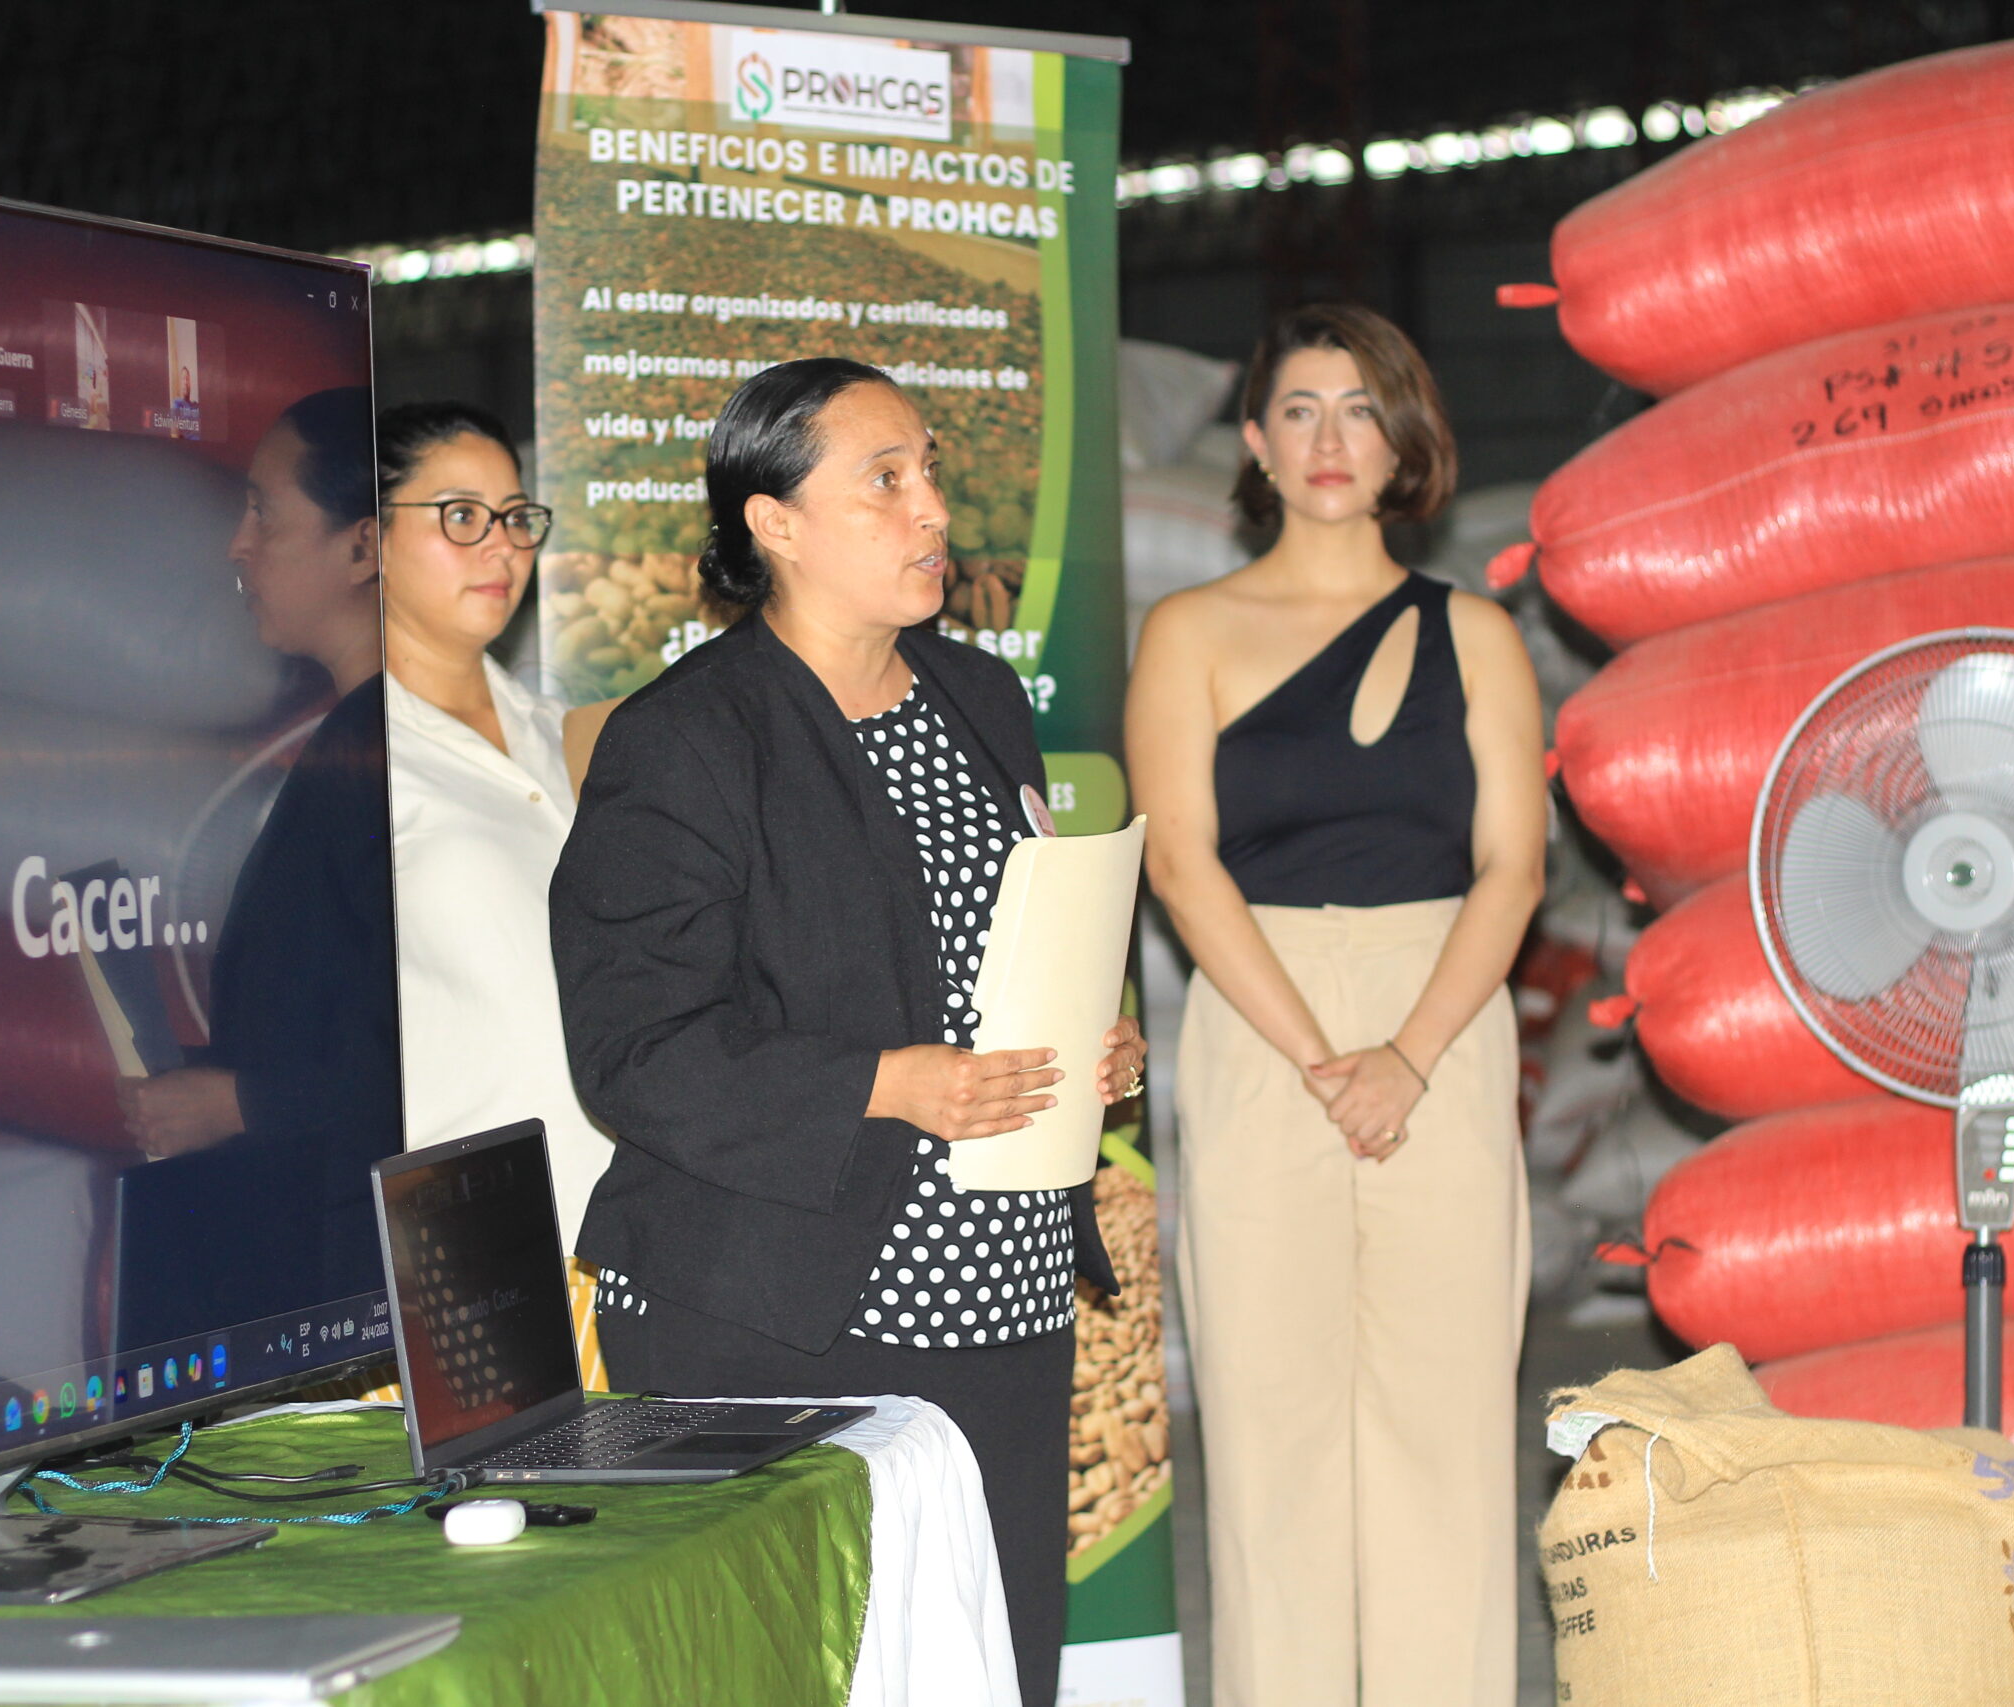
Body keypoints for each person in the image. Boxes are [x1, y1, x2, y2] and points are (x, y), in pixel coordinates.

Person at [551, 357, 1146, 1707]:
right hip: (780, 1307)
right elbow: (633, 1051)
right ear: (774, 522)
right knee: (803, 1670)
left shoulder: (979, 701)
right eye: (886, 479)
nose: (930, 505)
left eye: (930, 470)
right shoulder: (689, 740)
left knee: (993, 1667)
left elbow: (987, 947)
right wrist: (888, 1082)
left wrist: (1081, 1043)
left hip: (1000, 1289)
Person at [1124, 303, 1543, 1706]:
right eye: (1300, 408)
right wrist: (1321, 1057)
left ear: (1403, 441)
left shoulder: (1475, 630)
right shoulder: (1187, 629)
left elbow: (1515, 864)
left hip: (1445, 1019)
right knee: (1272, 1430)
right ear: (1254, 439)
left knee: (1444, 1429)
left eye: (1361, 409)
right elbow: (1179, 858)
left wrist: (1408, 1055)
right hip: (1260, 1025)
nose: (1329, 438)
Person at [115, 386, 399, 1305]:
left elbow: (431, 1032)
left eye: (264, 512)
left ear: (364, 545)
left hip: (357, 1260)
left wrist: (242, 1103)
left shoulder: (391, 750)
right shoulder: (360, 731)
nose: (238, 543)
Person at [374, 399, 613, 1249]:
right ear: (370, 538)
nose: (504, 547)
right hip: (460, 1248)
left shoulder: (564, 734)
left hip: (615, 1234)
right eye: (462, 517)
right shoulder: (347, 760)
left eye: (516, 519)